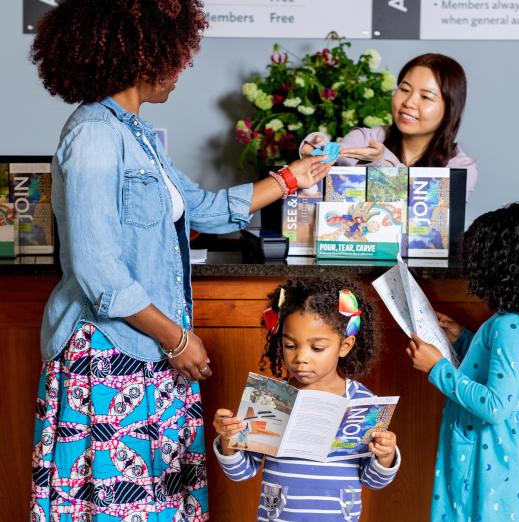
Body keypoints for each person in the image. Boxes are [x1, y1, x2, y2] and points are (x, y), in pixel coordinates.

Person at [28, 1, 331, 520]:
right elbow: (97, 271)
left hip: (152, 349)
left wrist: (289, 179)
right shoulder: (96, 135)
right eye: (176, 54)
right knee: (114, 505)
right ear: (141, 53)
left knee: (160, 500)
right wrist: (177, 338)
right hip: (108, 354)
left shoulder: (136, 134)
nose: (183, 67)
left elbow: (207, 210)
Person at [405, 193, 519, 521]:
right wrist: (464, 339)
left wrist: (437, 368)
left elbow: (494, 406)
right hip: (514, 448)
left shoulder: (508, 325)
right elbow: (512, 369)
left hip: (493, 453)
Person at [213, 278, 400, 521]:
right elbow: (242, 471)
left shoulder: (363, 401)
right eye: (290, 345)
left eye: (318, 348)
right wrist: (229, 439)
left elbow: (372, 480)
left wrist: (385, 456)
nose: (301, 357)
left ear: (344, 346)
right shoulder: (271, 397)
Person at [300, 53, 478, 199]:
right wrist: (318, 148)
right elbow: (333, 192)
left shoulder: (461, 169)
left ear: (449, 110)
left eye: (426, 97)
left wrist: (382, 162)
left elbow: (428, 215)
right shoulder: (364, 140)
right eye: (404, 90)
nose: (409, 102)